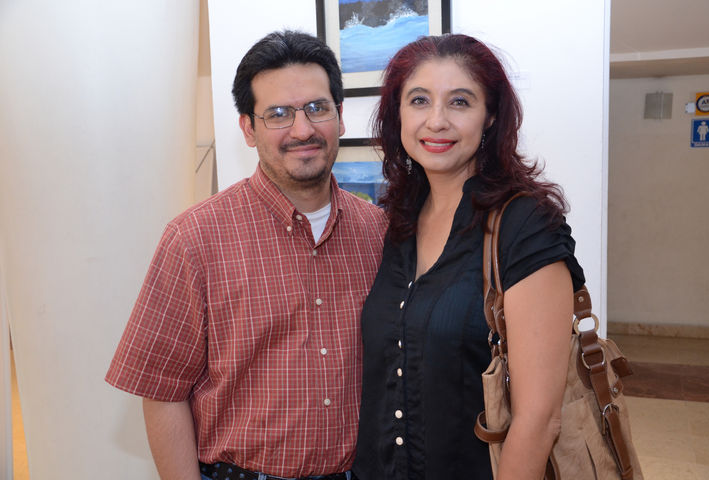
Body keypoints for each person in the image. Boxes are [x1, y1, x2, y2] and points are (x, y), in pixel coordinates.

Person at [106, 30, 387, 480]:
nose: (303, 129)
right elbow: (161, 391)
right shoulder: (193, 239)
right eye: (278, 114)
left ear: (340, 116)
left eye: (317, 108)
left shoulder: (379, 232)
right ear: (248, 129)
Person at [352, 34, 585, 479]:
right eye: (419, 100)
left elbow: (539, 421)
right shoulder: (396, 220)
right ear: (397, 114)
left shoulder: (525, 224)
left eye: (460, 102)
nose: (436, 121)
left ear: (490, 116)